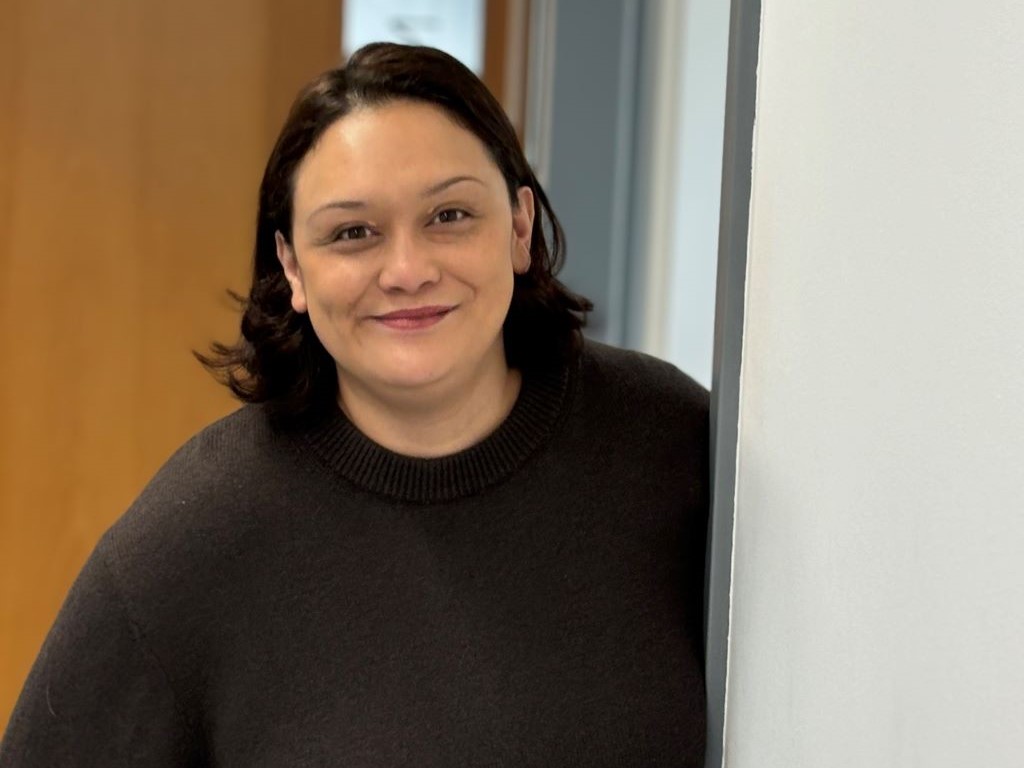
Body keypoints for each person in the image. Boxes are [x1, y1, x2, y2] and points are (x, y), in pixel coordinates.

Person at [0, 43, 709, 766]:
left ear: (519, 228)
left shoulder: (672, 447)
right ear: (293, 268)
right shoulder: (203, 529)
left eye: (450, 215)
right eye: (352, 233)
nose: (407, 270)